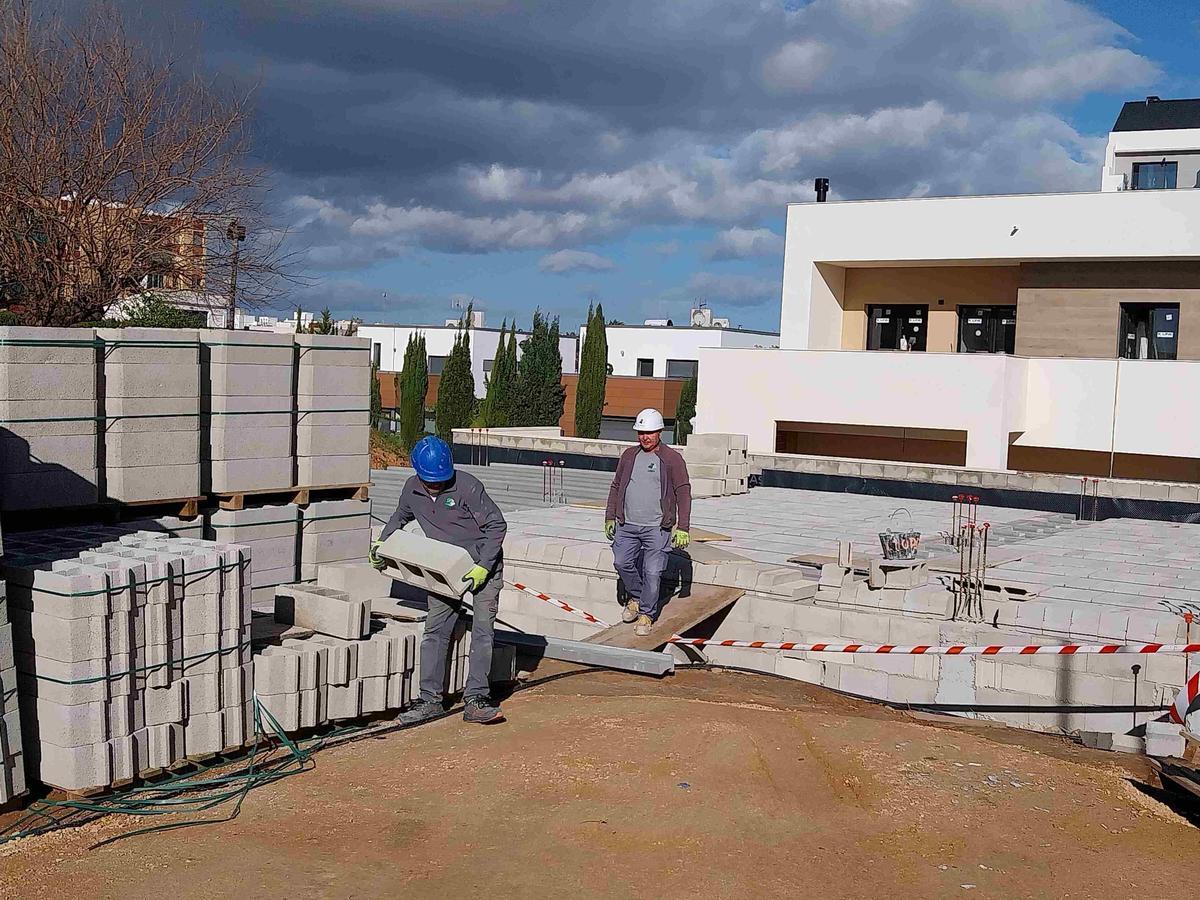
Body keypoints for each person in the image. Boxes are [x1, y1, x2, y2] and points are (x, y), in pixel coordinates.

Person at [370, 435, 508, 725]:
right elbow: (399, 518)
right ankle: (430, 701)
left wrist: (484, 566)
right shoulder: (411, 489)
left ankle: (476, 700)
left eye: (440, 480)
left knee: (483, 632)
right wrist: (380, 546)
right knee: (434, 632)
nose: (435, 485)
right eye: (430, 480)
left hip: (484, 567)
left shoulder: (468, 486)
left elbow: (497, 525)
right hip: (445, 570)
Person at [604, 408, 692, 637]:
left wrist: (683, 527)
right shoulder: (629, 456)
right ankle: (637, 597)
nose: (645, 437)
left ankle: (646, 613)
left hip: (656, 528)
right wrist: (610, 517)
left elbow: (683, 492)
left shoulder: (672, 459)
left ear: (660, 431)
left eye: (650, 432)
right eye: (641, 432)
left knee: (653, 572)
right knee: (622, 563)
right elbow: (616, 486)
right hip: (627, 525)